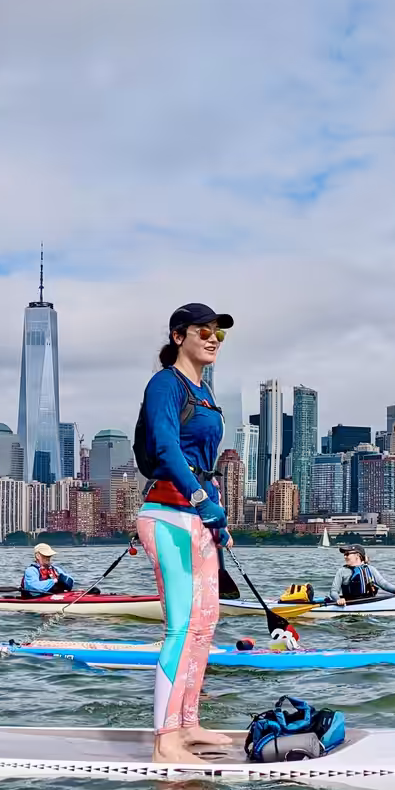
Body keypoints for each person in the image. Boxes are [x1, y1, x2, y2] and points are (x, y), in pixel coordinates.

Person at [135, 302, 233, 764]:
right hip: (169, 516)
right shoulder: (165, 384)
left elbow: (204, 463)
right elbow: (166, 447)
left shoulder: (206, 392)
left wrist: (218, 514)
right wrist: (199, 499)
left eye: (218, 333)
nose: (213, 339)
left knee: (205, 624)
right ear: (179, 336)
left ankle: (188, 724)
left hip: (199, 519)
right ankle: (163, 741)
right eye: (203, 331)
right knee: (180, 628)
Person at [329, 544, 395, 606]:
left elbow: (383, 584)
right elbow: (333, 591)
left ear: (357, 555)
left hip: (369, 601)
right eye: (344, 555)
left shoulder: (370, 569)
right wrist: (338, 599)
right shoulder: (342, 571)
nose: (345, 557)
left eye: (347, 554)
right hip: (350, 603)